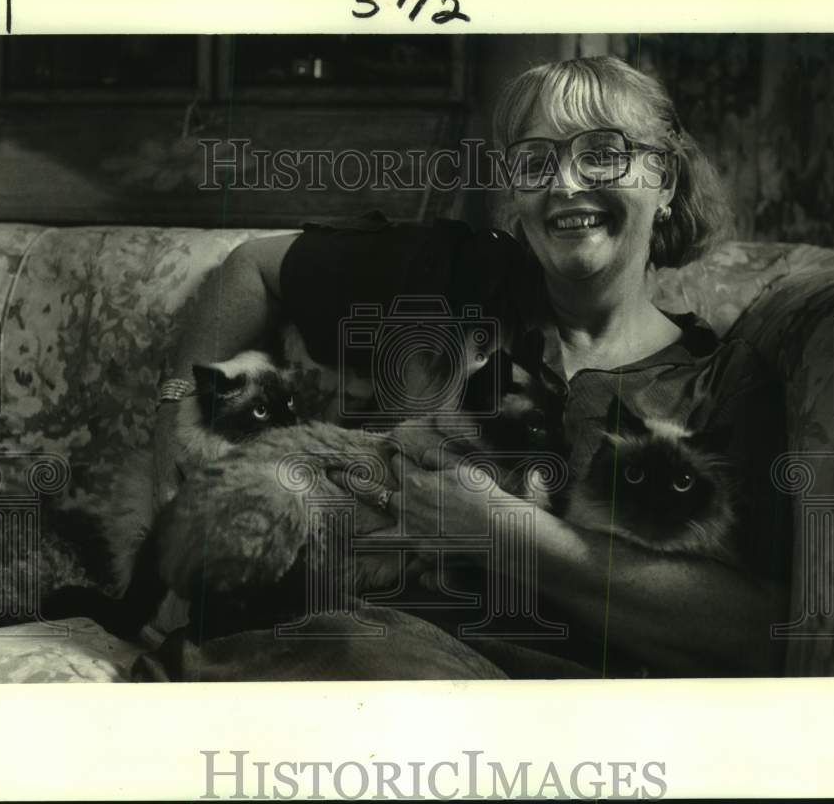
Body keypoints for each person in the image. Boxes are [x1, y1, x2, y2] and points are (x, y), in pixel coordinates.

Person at [148, 56, 790, 679]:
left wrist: (503, 532)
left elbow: (752, 638)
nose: (564, 184)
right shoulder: (452, 276)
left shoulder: (713, 387)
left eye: (601, 153)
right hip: (312, 639)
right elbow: (252, 268)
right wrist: (175, 417)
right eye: (535, 162)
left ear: (666, 182)